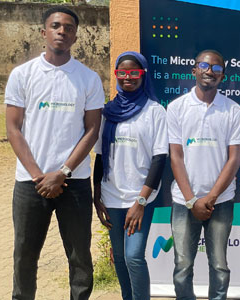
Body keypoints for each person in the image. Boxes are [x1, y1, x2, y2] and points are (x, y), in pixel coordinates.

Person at [4, 6, 104, 300]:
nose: (62, 31)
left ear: (75, 36)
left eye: (69, 28)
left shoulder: (88, 79)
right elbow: (13, 129)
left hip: (73, 182)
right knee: (24, 256)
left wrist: (63, 173)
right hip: (30, 183)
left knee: (79, 257)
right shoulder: (23, 75)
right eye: (56, 26)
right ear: (43, 32)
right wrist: (39, 176)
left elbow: (92, 131)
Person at [167, 49, 240, 300]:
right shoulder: (177, 108)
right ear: (194, 71)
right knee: (182, 266)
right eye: (204, 66)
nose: (210, 71)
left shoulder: (233, 111)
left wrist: (210, 197)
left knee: (220, 266)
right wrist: (192, 200)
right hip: (183, 201)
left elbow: (234, 159)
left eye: (217, 68)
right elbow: (176, 156)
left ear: (223, 76)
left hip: (220, 203)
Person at [92, 51, 168, 300]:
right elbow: (101, 157)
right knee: (121, 258)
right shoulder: (107, 112)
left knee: (134, 256)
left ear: (143, 75)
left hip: (140, 197)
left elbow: (159, 159)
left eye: (134, 73)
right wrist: (97, 195)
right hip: (112, 196)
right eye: (122, 73)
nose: (127, 77)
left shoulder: (155, 111)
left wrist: (141, 201)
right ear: (115, 75)